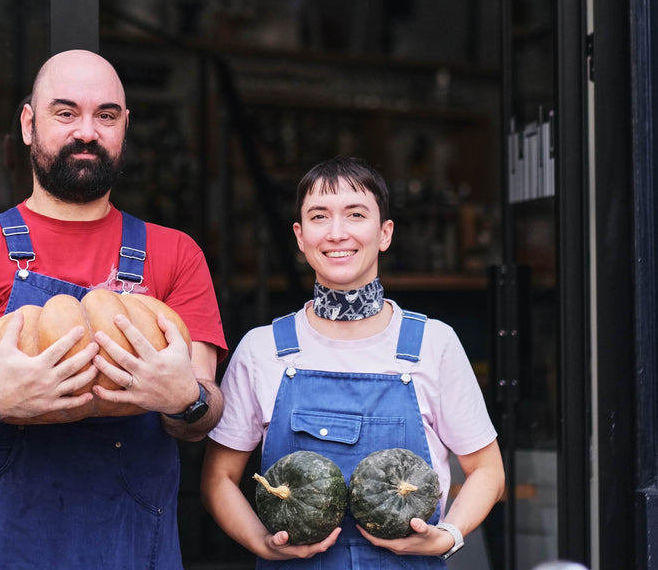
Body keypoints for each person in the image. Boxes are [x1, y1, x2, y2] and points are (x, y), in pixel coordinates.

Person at [0, 49, 227, 570]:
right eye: (65, 112)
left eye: (106, 115)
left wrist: (184, 399)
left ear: (125, 127)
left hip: (127, 546)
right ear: (29, 125)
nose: (86, 131)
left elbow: (204, 412)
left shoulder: (176, 254)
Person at [201, 156, 504, 567]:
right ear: (300, 236)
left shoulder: (434, 343)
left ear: (385, 233)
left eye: (356, 214)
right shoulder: (262, 349)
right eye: (319, 216)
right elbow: (218, 478)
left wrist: (447, 536)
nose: (337, 233)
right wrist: (260, 542)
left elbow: (488, 470)